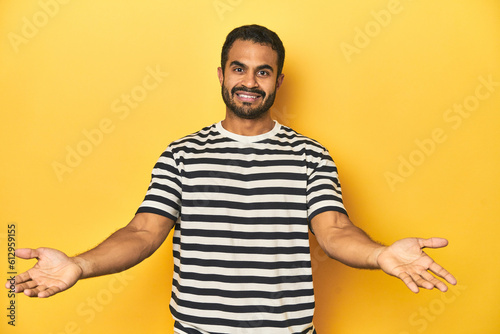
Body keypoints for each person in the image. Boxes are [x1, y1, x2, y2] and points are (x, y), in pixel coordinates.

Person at [6, 25, 456, 334]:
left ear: (278, 81)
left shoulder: (309, 155)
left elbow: (334, 231)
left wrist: (380, 255)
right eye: (239, 68)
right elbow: (143, 232)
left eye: (263, 71)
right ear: (222, 75)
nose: (250, 81)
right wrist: (79, 266)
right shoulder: (182, 153)